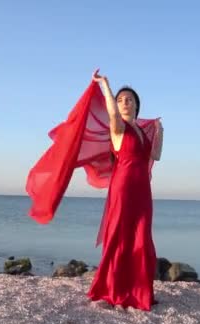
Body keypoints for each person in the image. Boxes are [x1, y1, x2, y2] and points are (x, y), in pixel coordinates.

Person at [87, 69, 163, 311]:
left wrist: (160, 133)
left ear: (136, 106)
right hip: (123, 188)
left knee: (141, 237)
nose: (124, 102)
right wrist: (105, 86)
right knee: (120, 237)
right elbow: (111, 111)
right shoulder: (118, 128)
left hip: (142, 191)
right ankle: (114, 291)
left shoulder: (142, 131)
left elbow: (156, 156)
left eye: (129, 99)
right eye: (121, 100)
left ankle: (139, 292)